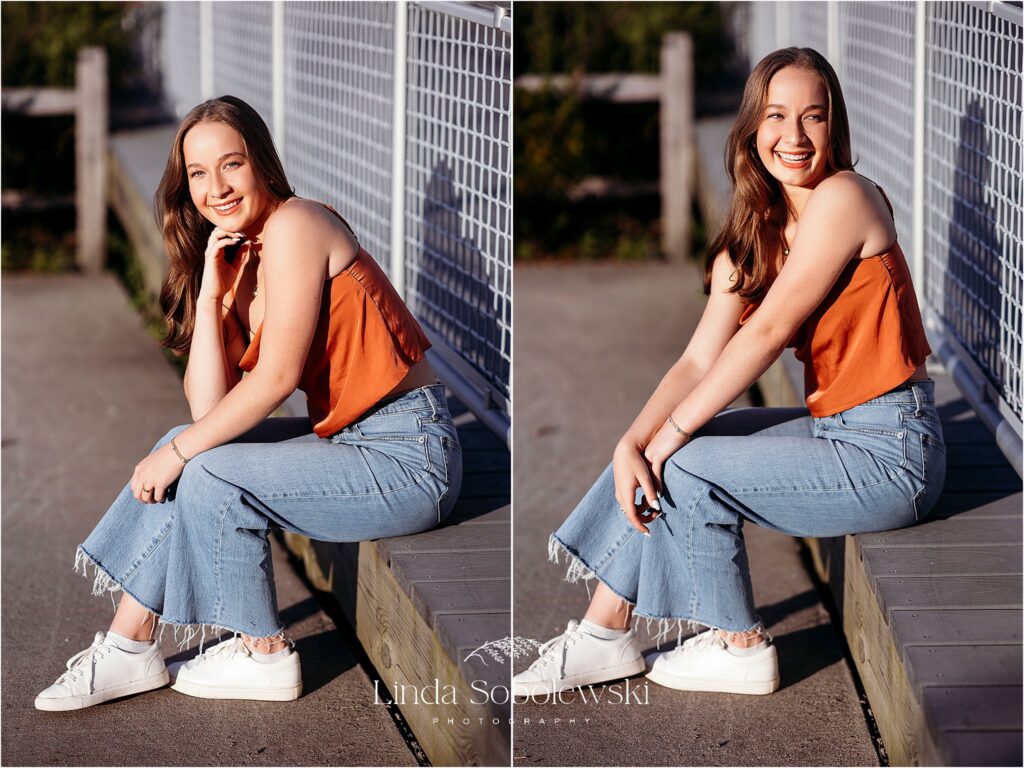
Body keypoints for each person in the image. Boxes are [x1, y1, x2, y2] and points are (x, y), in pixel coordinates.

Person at [513, 47, 945, 698]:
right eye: (776, 116)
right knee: (663, 450)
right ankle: (605, 634)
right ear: (751, 128)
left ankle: (741, 645)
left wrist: (667, 440)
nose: (794, 136)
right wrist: (632, 441)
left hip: (893, 453)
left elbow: (767, 333)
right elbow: (697, 359)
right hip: (839, 432)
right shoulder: (761, 229)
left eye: (814, 117)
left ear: (836, 128)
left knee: (684, 459)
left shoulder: (846, 197)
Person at [35, 95, 462, 710]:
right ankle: (130, 649)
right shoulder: (241, 258)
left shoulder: (298, 224)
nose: (217, 187)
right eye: (199, 175)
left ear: (260, 162)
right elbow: (208, 409)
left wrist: (183, 450)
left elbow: (275, 379)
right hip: (349, 445)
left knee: (195, 460)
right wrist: (210, 295)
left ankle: (264, 652)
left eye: (230, 164)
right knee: (180, 448)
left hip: (410, 456)